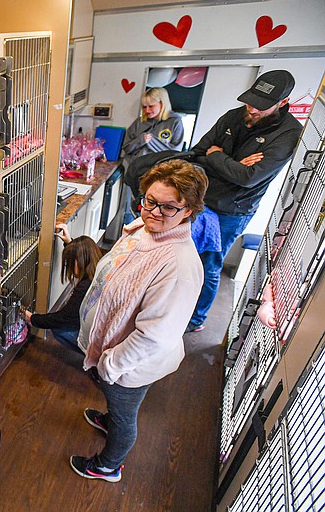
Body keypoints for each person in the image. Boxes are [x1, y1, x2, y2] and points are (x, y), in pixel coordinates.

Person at [70, 159, 207, 483]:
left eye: (168, 207)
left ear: (188, 210)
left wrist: (111, 365)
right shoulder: (146, 229)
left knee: (125, 415)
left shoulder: (178, 267)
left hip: (129, 366)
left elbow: (153, 338)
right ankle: (109, 417)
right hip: (111, 355)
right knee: (116, 407)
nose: (154, 212)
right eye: (150, 201)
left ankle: (108, 465)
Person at [186, 70, 303, 333]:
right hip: (201, 198)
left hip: (232, 211)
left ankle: (196, 320)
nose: (251, 108)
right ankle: (172, 306)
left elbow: (248, 178)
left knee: (210, 265)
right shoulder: (233, 115)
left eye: (260, 106)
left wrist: (218, 157)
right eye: (250, 101)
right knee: (182, 255)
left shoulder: (289, 133)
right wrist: (231, 165)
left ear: (283, 102)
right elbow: (197, 153)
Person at [22, 223, 102, 354]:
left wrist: (32, 318)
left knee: (59, 329)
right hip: (100, 326)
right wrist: (69, 243)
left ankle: (90, 352)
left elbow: (62, 318)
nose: (68, 267)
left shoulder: (84, 288)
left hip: (95, 335)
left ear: (79, 261)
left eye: (70, 263)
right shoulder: (99, 266)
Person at [119, 87, 185, 224]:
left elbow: (176, 153)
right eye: (144, 107)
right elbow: (126, 147)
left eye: (151, 106)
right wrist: (141, 140)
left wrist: (153, 142)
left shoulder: (174, 122)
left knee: (153, 212)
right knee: (132, 210)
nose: (147, 110)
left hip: (160, 178)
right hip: (136, 175)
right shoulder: (139, 122)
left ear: (162, 103)